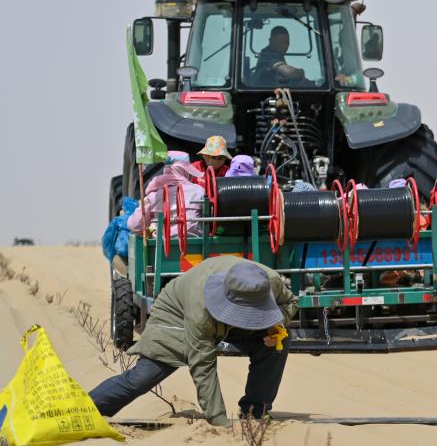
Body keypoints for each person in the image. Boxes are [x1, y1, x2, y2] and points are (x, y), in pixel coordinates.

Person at [89, 256, 297, 425]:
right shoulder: (201, 309)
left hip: (224, 320)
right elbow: (203, 367)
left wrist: (274, 327)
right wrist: (219, 421)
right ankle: (88, 408)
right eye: (243, 313)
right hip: (176, 317)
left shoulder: (269, 281)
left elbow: (290, 302)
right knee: (142, 378)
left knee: (280, 341)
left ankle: (255, 412)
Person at [127, 159, 205, 236]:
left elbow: (134, 225)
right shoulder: (198, 190)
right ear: (185, 173)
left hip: (163, 241)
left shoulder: (154, 195)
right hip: (195, 238)